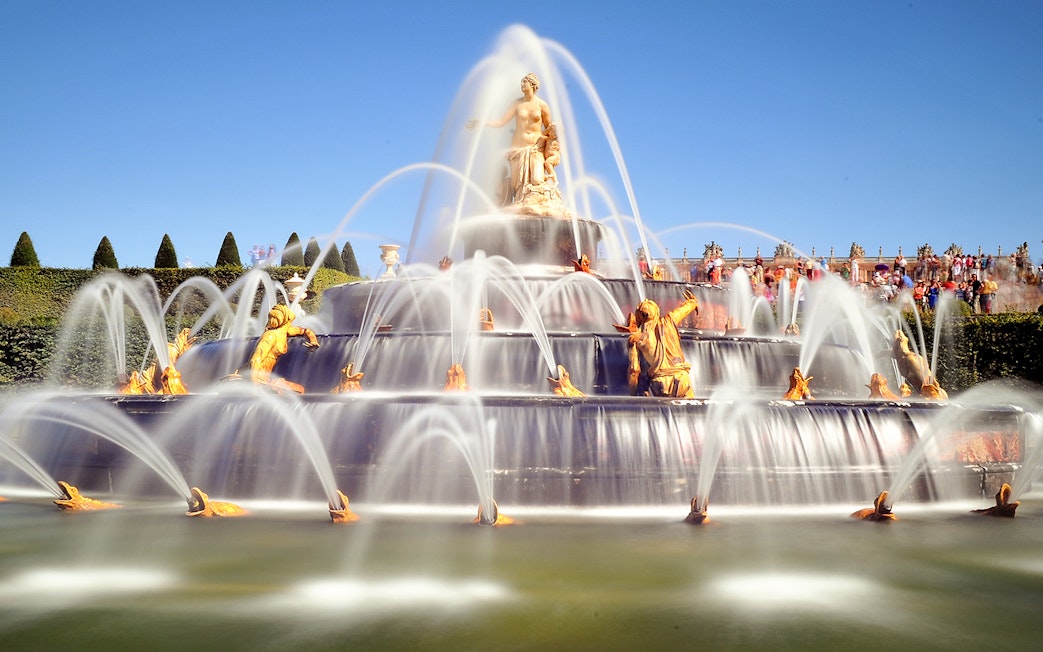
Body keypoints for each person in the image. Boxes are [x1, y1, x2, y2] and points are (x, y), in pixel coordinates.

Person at [475, 72, 553, 204]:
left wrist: (552, 145)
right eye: (522, 82)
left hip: (536, 149)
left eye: (524, 82)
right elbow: (501, 122)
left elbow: (549, 127)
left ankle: (538, 202)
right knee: (517, 185)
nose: (522, 84)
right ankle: (517, 206)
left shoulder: (542, 105)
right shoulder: (516, 104)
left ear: (533, 84)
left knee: (537, 179)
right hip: (517, 148)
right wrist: (483, 122)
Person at [625, 290, 700, 398]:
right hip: (681, 378)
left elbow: (634, 370)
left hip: (659, 382)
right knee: (689, 408)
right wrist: (692, 302)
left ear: (639, 316)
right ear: (657, 312)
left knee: (662, 409)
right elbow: (683, 310)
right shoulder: (669, 321)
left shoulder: (636, 338)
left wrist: (633, 396)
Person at [248, 304, 320, 393]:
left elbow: (305, 331)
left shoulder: (284, 332)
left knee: (298, 389)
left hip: (265, 377)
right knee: (299, 390)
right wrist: (254, 385)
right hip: (258, 378)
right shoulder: (270, 336)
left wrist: (313, 340)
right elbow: (255, 360)